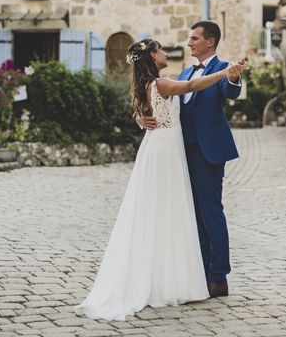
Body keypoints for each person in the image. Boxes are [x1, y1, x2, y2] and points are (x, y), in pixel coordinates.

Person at [75, 38, 245, 321]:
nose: (167, 52)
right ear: (153, 57)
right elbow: (190, 87)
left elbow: (157, 106)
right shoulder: (164, 82)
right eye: (161, 50)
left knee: (169, 212)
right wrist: (224, 72)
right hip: (166, 151)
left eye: (194, 38)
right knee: (169, 211)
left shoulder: (152, 84)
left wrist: (140, 116)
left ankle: (186, 275)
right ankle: (172, 279)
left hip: (168, 149)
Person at [139, 21, 243, 298]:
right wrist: (140, 118)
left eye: (195, 38)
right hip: (179, 152)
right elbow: (158, 104)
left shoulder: (224, 67)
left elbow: (231, 92)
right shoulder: (184, 72)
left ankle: (218, 278)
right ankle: (199, 274)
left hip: (208, 152)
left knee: (211, 213)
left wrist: (231, 76)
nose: (189, 42)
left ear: (210, 41)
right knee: (191, 215)